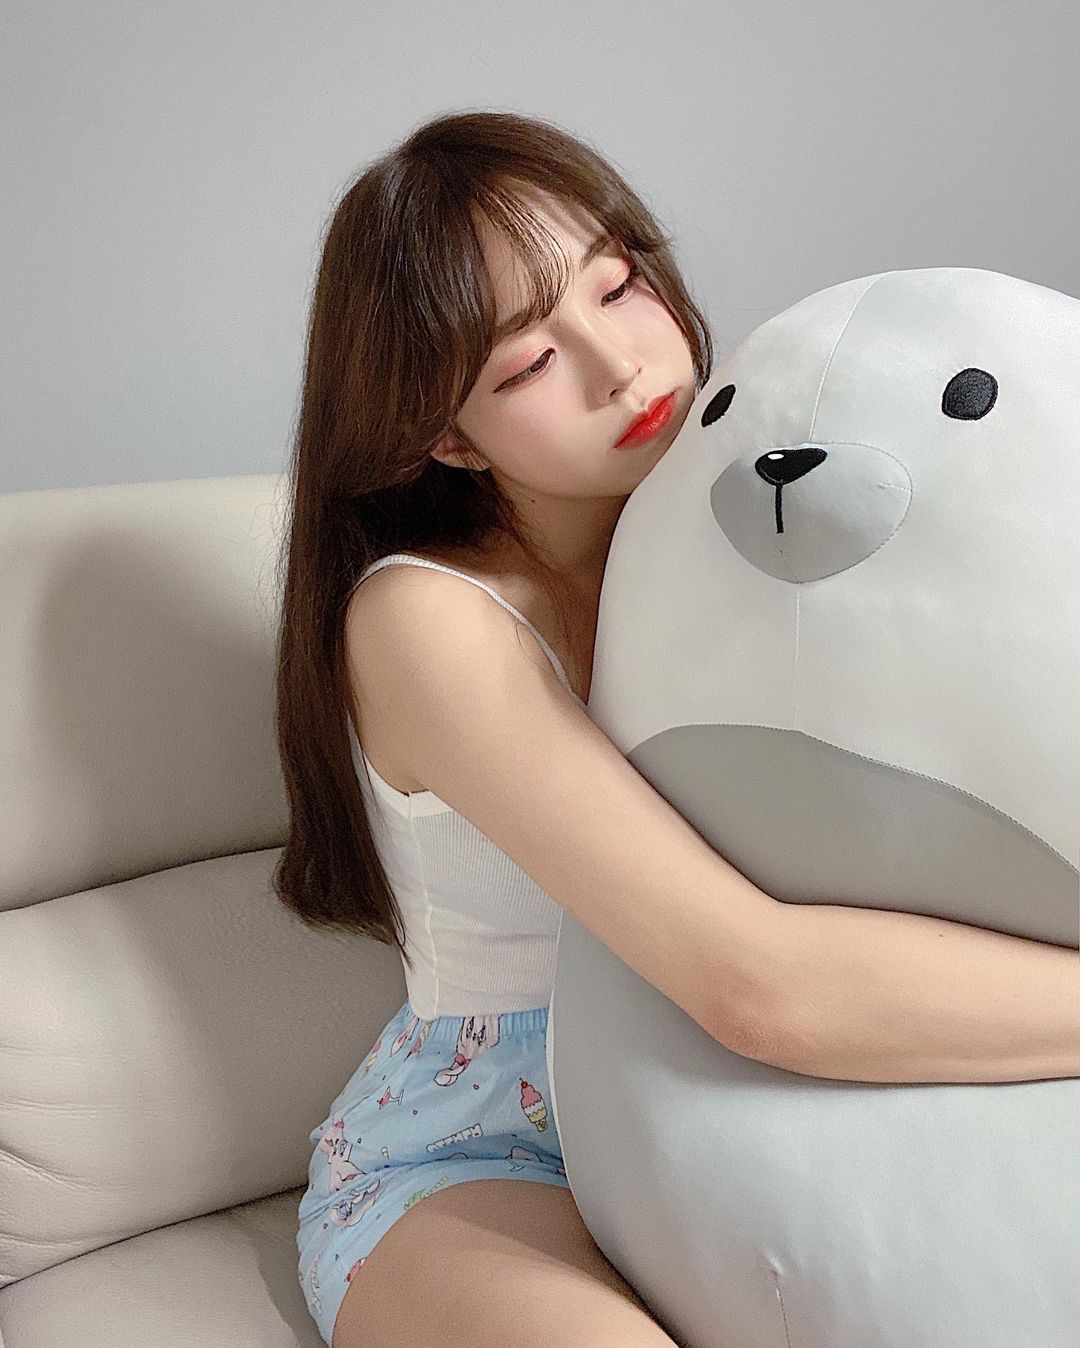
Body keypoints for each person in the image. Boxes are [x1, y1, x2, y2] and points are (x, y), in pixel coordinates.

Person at [274, 111, 1080, 1348]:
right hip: (491, 1152)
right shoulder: (424, 621)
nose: (620, 366)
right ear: (445, 432)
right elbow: (753, 983)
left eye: (618, 286)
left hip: (748, 1099)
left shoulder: (734, 526)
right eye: (527, 364)